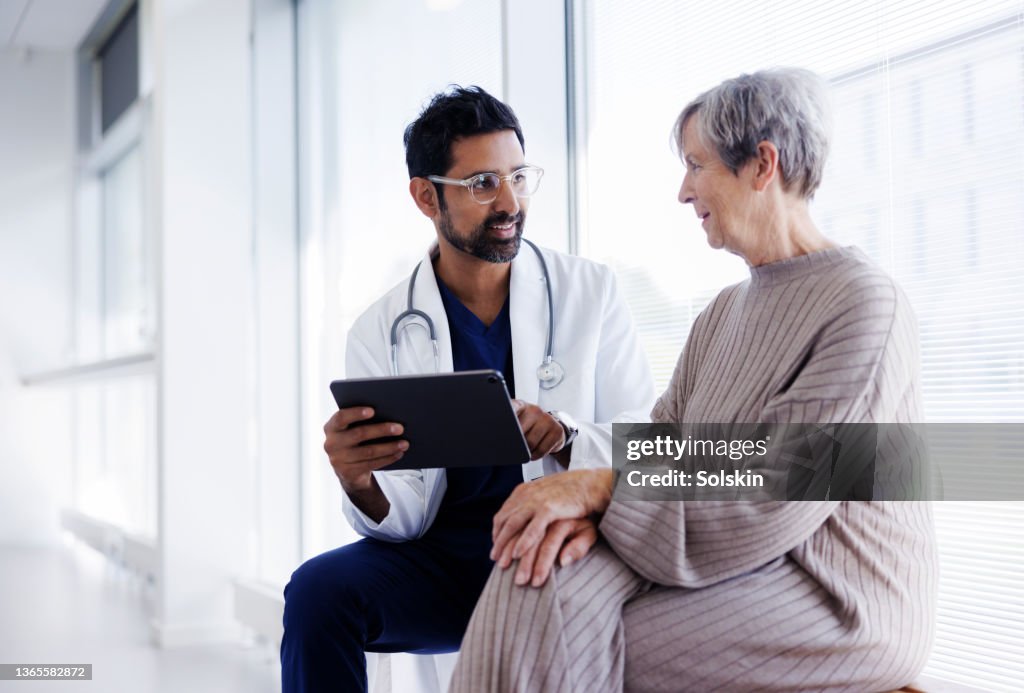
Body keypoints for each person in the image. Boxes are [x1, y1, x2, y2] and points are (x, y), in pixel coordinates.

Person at [450, 68, 938, 692]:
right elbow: (660, 444)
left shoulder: (864, 304)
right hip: (736, 563)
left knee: (574, 638)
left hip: (836, 595)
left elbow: (778, 487)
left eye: (696, 164)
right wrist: (589, 501)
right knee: (534, 572)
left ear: (763, 165)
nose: (683, 191)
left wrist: (603, 494)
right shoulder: (723, 314)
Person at [280, 85, 654, 693]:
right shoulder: (381, 330)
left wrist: (565, 434)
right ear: (427, 197)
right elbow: (399, 519)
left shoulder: (592, 293)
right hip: (442, 561)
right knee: (318, 594)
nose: (509, 200)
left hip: (555, 542)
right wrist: (358, 481)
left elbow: (647, 443)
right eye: (482, 183)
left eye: (519, 176)